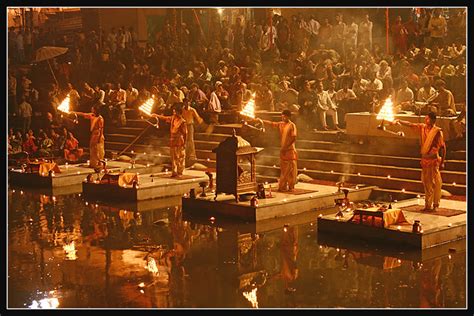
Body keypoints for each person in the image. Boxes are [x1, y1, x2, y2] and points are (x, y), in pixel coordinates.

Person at [393, 112, 446, 211]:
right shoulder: (422, 127)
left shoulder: (437, 131)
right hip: (425, 160)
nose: (426, 120)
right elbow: (410, 124)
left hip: (433, 160)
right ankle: (427, 204)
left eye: (428, 119)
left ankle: (435, 205)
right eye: (426, 118)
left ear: (433, 120)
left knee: (435, 183)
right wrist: (399, 121)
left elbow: (443, 147)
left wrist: (442, 161)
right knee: (426, 182)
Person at [261, 110, 298, 192]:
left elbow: (293, 138)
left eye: (284, 116)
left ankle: (291, 186)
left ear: (289, 117)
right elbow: (271, 124)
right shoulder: (281, 124)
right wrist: (260, 120)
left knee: (291, 170)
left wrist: (286, 147)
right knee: (284, 169)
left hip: (290, 150)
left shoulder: (292, 125)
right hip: (283, 150)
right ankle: (283, 186)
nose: (283, 118)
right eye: (282, 116)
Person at [152, 103, 188, 178]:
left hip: (179, 141)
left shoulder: (182, 121)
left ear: (179, 112)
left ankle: (180, 171)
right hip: (173, 140)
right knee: (173, 157)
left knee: (180, 157)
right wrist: (156, 115)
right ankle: (174, 172)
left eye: (175, 111)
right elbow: (165, 118)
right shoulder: (173, 118)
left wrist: (185, 143)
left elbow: (185, 133)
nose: (173, 112)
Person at [73, 105, 105, 170]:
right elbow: (83, 114)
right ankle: (93, 163)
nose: (91, 110)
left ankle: (99, 162)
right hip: (93, 134)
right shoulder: (91, 115)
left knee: (98, 149)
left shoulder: (100, 118)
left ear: (96, 110)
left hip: (98, 134)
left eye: (92, 109)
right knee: (92, 148)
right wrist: (74, 112)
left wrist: (100, 137)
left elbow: (101, 129)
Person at [182, 99, 203, 167]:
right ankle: (185, 154)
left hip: (190, 125)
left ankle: (192, 155)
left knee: (190, 140)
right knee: (184, 140)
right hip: (184, 126)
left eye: (188, 102)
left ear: (189, 103)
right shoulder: (182, 110)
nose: (187, 104)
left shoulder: (192, 110)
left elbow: (197, 117)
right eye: (185, 102)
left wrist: (202, 124)